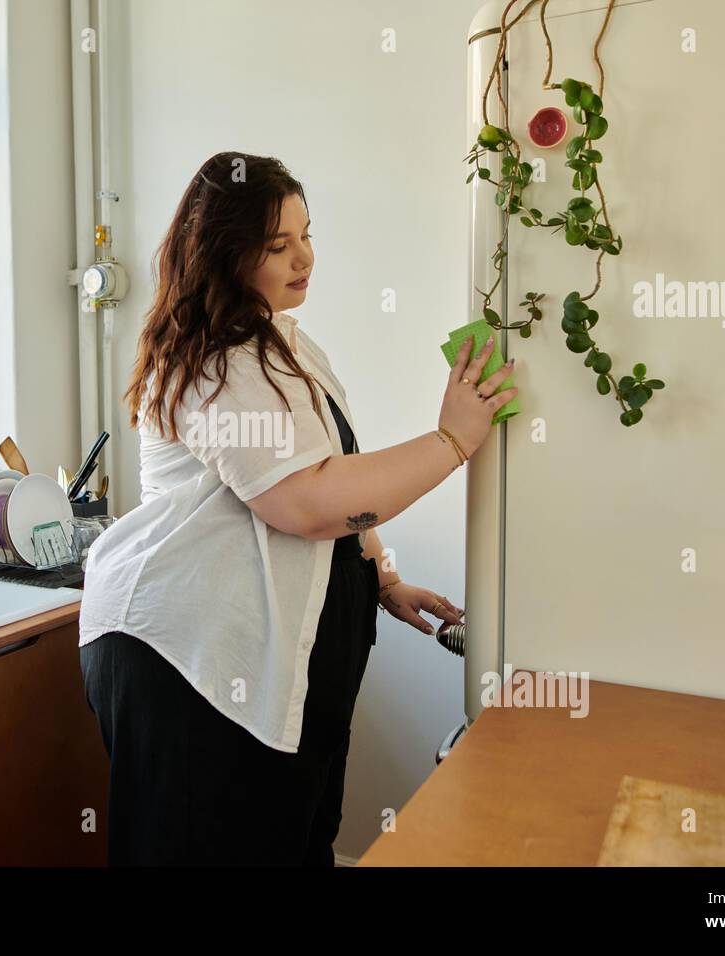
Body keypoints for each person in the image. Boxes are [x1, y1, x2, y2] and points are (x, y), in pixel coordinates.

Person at [78, 151, 519, 866]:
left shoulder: (286, 343)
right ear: (224, 253)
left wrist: (379, 577)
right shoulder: (217, 359)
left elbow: (333, 478)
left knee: (296, 843)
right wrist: (452, 441)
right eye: (278, 245)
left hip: (272, 652)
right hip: (187, 657)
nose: (304, 257)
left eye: (307, 234)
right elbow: (306, 503)